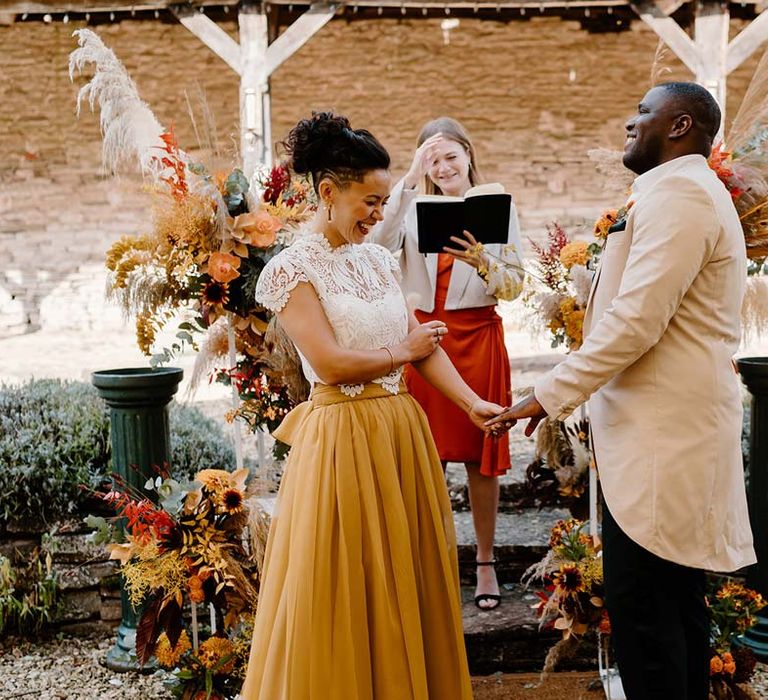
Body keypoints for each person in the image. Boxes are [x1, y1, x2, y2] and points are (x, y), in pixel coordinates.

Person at [487, 82, 756, 700]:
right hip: (661, 433)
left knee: (648, 621)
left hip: (665, 439)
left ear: (682, 124)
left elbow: (636, 321)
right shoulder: (669, 193)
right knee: (672, 612)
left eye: (644, 112)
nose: (630, 124)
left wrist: (549, 394)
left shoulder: (683, 195)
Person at [241, 112, 505, 699]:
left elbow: (421, 347)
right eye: (370, 201)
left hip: (400, 434)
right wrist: (401, 350)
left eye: (385, 203)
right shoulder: (291, 269)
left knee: (402, 579)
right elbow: (330, 362)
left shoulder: (379, 260)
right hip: (341, 438)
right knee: (342, 582)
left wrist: (469, 402)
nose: (379, 214)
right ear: (329, 192)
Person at [371, 117, 524, 610]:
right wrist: (409, 179)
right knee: (426, 456)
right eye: (432, 159)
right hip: (424, 342)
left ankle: (484, 561)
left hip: (479, 338)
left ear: (468, 156)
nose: (443, 166)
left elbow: (516, 286)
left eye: (450, 156)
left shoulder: (497, 205)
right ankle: (431, 562)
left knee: (483, 459)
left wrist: (482, 260)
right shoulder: (410, 204)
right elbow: (374, 248)